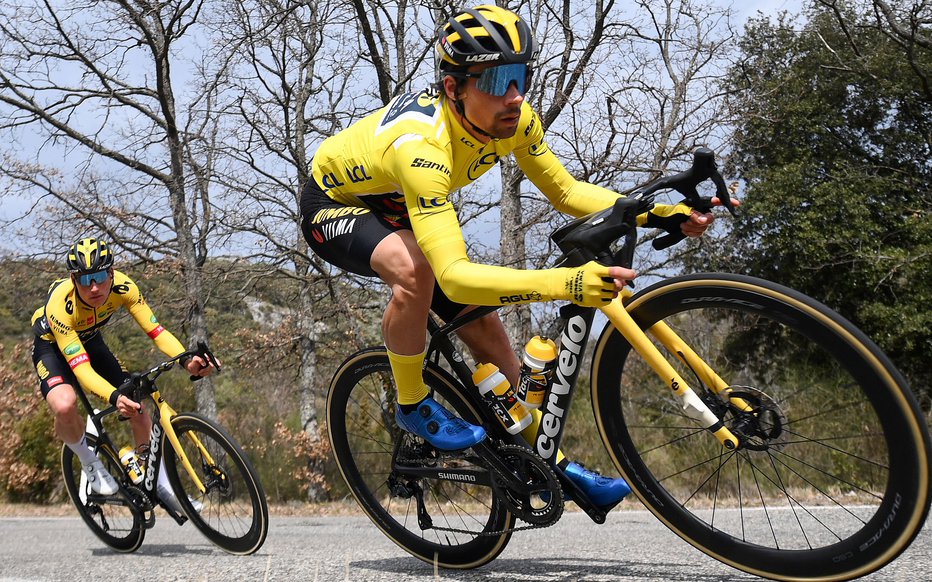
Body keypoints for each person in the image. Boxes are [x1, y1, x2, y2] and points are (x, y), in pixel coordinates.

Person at [300, 5, 724, 508]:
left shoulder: (516, 119)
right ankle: (412, 403)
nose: (515, 95)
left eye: (522, 75)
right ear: (454, 87)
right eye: (498, 79)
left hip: (405, 206)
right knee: (418, 271)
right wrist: (566, 284)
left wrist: (662, 213)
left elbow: (566, 192)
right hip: (338, 205)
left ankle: (547, 464)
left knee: (493, 340)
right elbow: (454, 278)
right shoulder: (419, 147)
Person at [31, 237, 215, 511]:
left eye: (100, 276)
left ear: (112, 273)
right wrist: (113, 396)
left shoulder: (125, 287)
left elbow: (157, 331)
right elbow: (80, 368)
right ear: (73, 279)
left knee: (139, 405)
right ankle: (89, 461)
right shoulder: (60, 305)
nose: (94, 287)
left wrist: (186, 361)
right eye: (85, 279)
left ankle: (157, 481)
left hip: (91, 340)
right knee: (65, 405)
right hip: (53, 347)